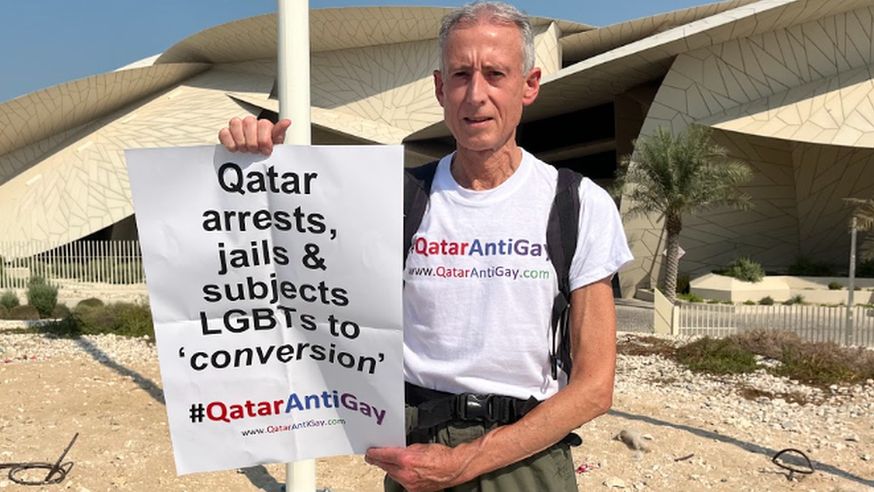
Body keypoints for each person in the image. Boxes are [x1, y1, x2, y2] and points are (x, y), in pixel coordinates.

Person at [219, 2, 633, 490]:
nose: (475, 95)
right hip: (419, 451)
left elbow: (593, 388)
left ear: (530, 85)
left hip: (527, 460)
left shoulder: (578, 203)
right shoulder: (397, 199)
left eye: (495, 74)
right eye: (460, 75)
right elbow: (287, 257)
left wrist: (468, 461)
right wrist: (256, 164)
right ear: (440, 88)